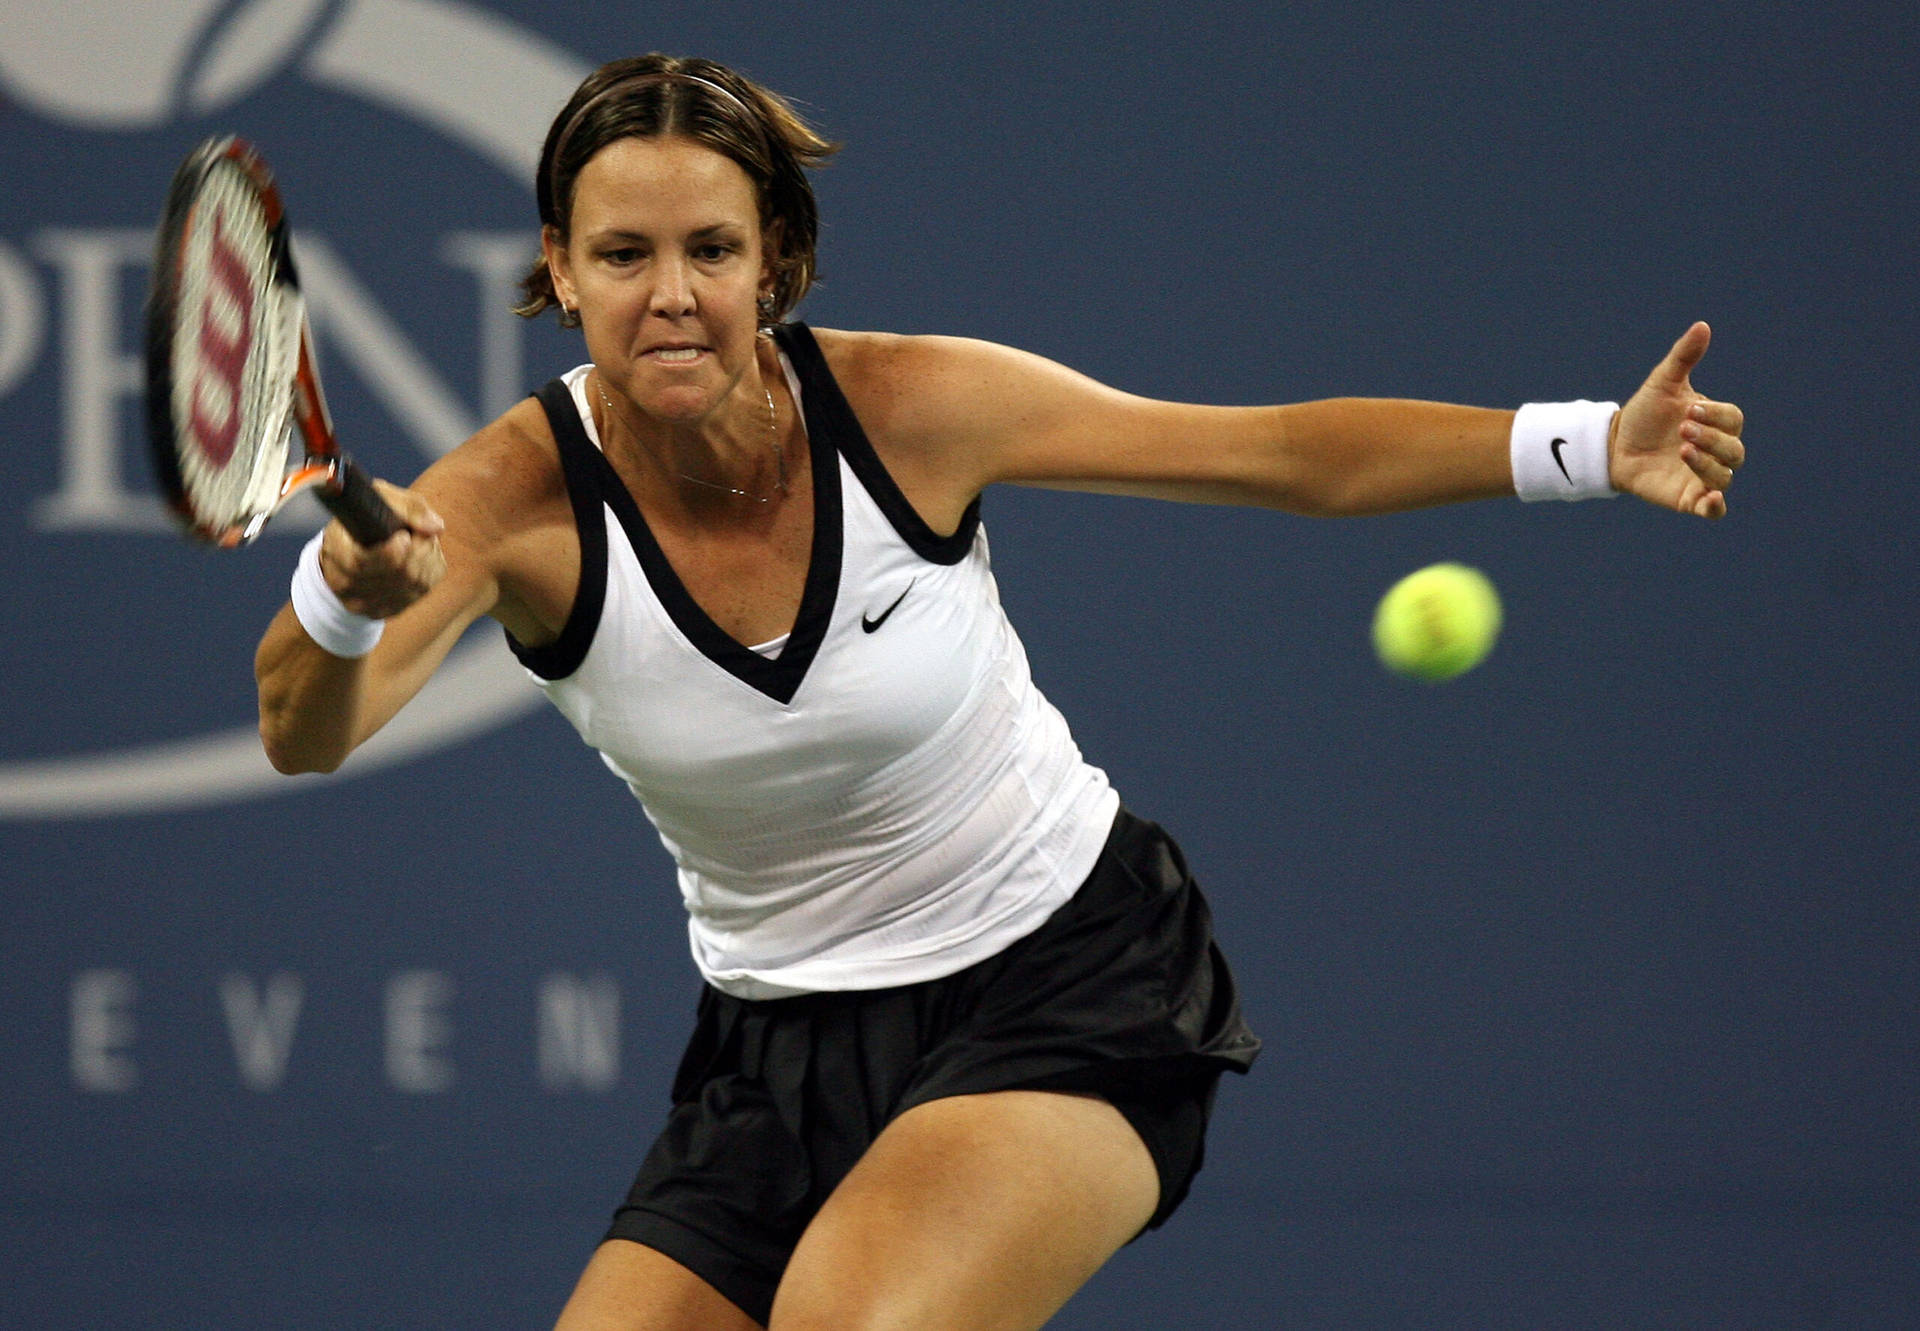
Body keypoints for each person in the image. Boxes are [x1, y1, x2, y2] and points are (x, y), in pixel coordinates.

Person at [253, 53, 1746, 1331]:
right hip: (775, 1049)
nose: (672, 297)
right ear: (560, 267)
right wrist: (338, 601)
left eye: (711, 250)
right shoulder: (510, 500)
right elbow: (305, 733)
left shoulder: (907, 407)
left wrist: (1587, 443)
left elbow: (1278, 454)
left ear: (772, 257)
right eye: (625, 255)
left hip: (1069, 979)